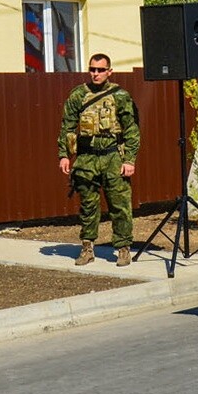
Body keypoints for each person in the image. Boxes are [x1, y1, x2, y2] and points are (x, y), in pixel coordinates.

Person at [57, 54, 139, 267]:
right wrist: (64, 155)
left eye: (101, 70)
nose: (96, 73)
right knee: (88, 206)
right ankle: (87, 248)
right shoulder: (78, 95)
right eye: (93, 69)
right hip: (86, 157)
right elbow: (67, 127)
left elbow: (131, 130)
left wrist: (129, 160)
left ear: (109, 71)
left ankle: (122, 248)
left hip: (113, 156)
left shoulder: (120, 96)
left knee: (120, 205)